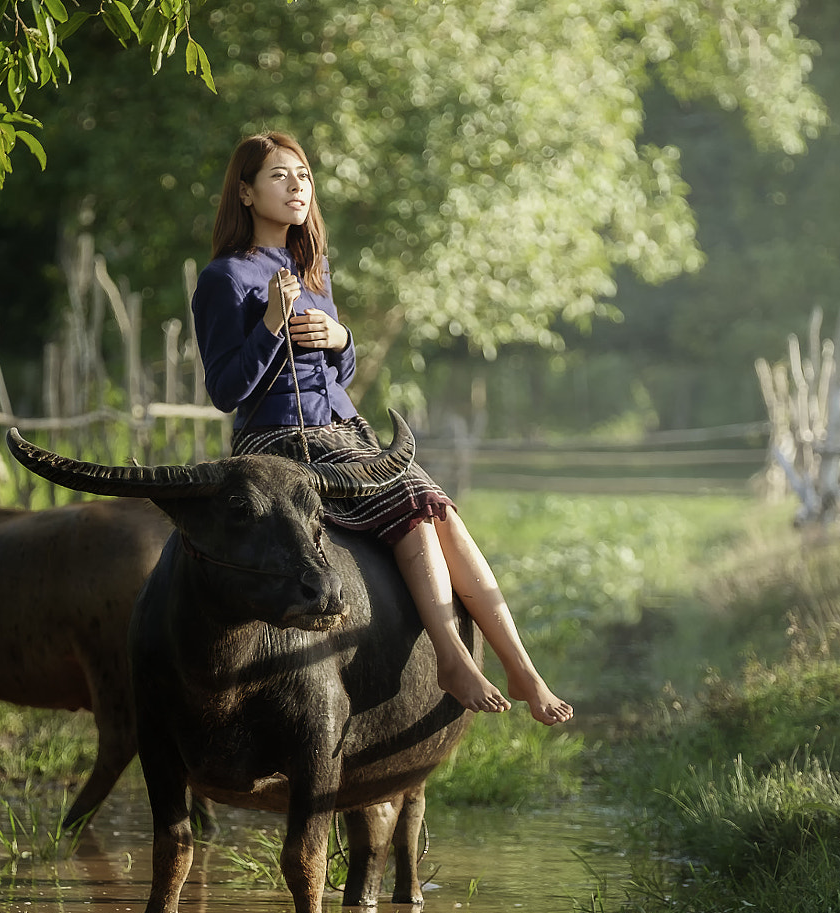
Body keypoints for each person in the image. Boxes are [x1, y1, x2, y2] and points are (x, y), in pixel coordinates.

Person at [191, 130, 573, 726]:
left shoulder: (312, 269)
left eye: (304, 176)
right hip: (280, 440)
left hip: (346, 433)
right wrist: (269, 323)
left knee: (441, 511)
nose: (297, 187)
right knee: (416, 517)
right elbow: (225, 391)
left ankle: (521, 665)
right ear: (245, 192)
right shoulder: (225, 279)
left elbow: (337, 371)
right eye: (278, 176)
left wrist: (343, 340)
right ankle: (451, 658)